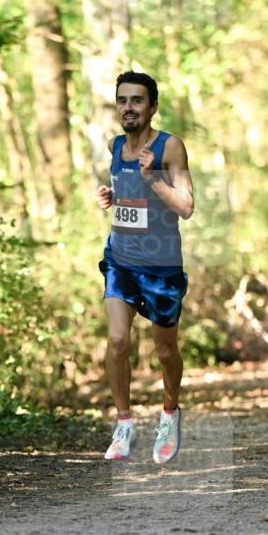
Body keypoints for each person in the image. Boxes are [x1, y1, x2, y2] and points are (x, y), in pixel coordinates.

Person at [95, 71, 194, 463]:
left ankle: (170, 412)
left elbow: (186, 206)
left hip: (162, 265)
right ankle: (124, 423)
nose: (129, 107)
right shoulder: (115, 145)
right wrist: (112, 195)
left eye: (137, 101)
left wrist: (153, 179)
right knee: (117, 341)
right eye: (122, 100)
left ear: (152, 107)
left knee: (165, 351)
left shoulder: (170, 147)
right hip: (121, 260)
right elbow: (127, 194)